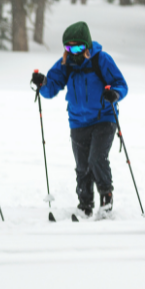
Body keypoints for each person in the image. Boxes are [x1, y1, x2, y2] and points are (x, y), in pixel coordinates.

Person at [31, 21, 128, 217]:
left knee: (96, 159)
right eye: (69, 47)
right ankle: (85, 205)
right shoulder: (66, 63)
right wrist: (42, 83)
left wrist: (114, 94)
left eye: (77, 46)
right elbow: (51, 89)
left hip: (104, 118)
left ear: (87, 45)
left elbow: (121, 84)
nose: (73, 51)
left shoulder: (101, 59)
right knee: (82, 166)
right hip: (77, 121)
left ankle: (106, 200)